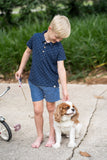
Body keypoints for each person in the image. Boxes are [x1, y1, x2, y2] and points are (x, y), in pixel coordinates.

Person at [15, 15, 71, 148]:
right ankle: (40, 136)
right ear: (49, 28)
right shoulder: (36, 38)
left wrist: (64, 89)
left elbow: (61, 69)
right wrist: (20, 69)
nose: (58, 40)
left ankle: (52, 135)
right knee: (37, 110)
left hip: (50, 84)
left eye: (60, 39)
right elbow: (27, 52)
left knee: (51, 109)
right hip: (34, 81)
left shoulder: (58, 47)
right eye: (57, 37)